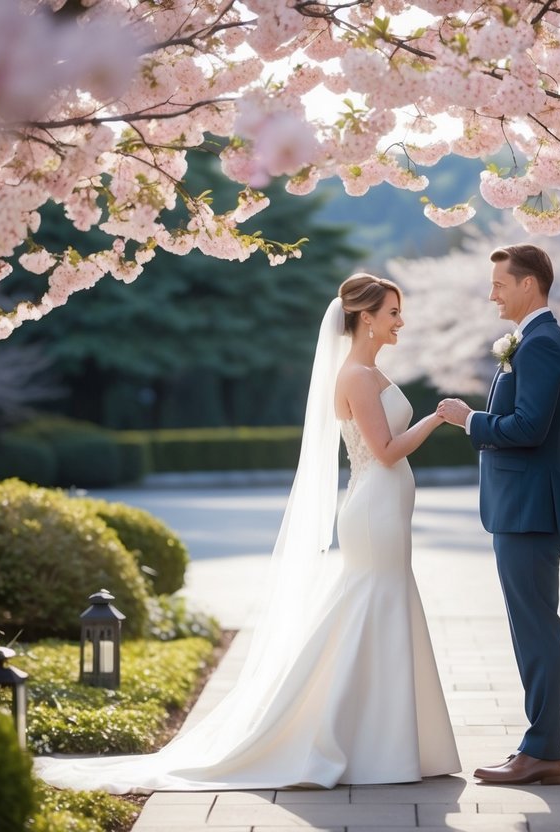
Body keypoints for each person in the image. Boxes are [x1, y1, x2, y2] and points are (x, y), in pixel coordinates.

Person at [35, 274, 460, 793]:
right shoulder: (354, 376)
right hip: (373, 510)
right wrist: (438, 418)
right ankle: (349, 738)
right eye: (393, 311)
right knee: (370, 605)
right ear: (366, 317)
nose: (401, 321)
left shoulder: (371, 371)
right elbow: (387, 450)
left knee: (382, 607)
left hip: (386, 509)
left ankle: (390, 742)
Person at [437, 244, 560, 787]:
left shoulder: (541, 345)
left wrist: (469, 420)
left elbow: (526, 428)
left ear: (528, 285)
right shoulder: (533, 340)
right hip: (520, 509)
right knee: (531, 629)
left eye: (500, 282)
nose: (492, 292)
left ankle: (542, 751)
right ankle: (541, 747)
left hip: (529, 511)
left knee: (537, 630)